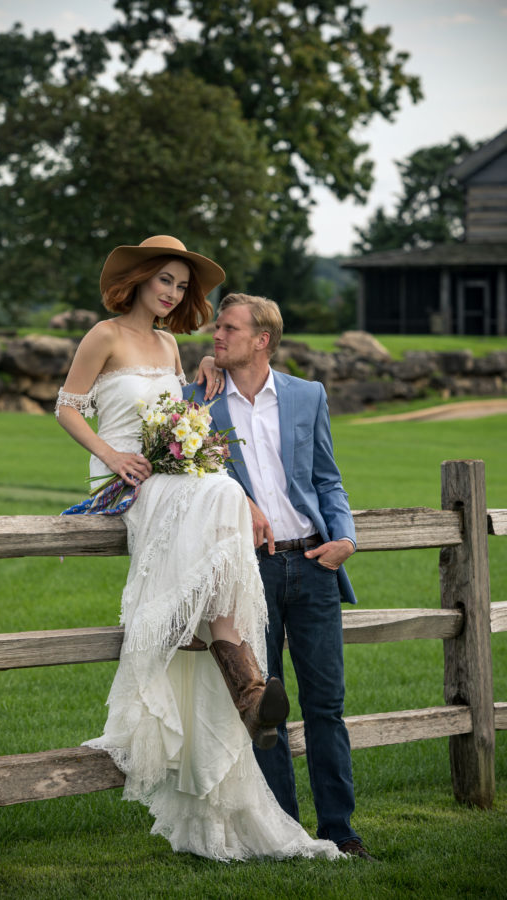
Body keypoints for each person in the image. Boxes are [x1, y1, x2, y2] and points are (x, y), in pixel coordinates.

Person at [55, 235, 342, 861]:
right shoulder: (103, 336)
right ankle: (238, 668)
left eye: (183, 287)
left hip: (170, 473)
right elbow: (67, 408)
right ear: (136, 279)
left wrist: (205, 377)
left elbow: (181, 414)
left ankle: (232, 670)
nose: (173, 294)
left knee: (224, 490)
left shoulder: (169, 346)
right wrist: (111, 456)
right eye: (165, 280)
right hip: (129, 478)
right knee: (222, 494)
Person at [186, 292, 375, 861]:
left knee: (326, 705)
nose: (216, 336)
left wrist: (345, 539)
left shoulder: (306, 395)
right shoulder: (199, 400)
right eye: (216, 327)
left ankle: (341, 830)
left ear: (262, 339)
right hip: (250, 571)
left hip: (315, 563)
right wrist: (240, 499)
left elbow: (327, 478)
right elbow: (191, 481)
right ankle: (287, 833)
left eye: (228, 328)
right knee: (264, 706)